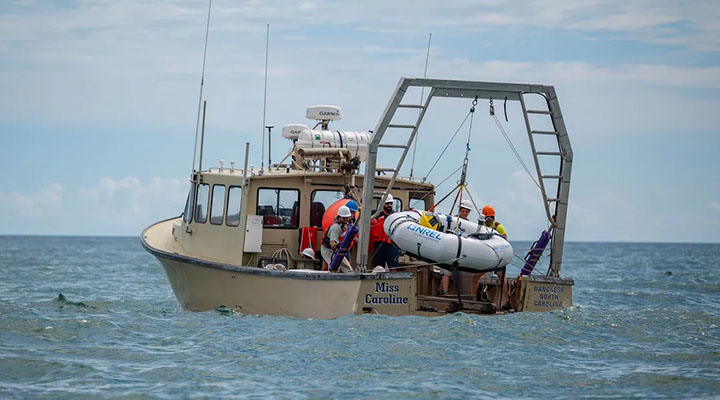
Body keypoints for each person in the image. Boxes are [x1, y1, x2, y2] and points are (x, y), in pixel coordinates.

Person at [471, 205, 510, 307]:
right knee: (475, 277)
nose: (488, 220)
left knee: (502, 277)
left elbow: (505, 242)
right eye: (487, 218)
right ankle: (473, 300)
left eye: (490, 218)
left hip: (497, 257)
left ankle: (506, 301)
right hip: (486, 258)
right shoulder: (482, 227)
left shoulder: (498, 227)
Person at [438, 199, 473, 296]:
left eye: (466, 212)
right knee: (446, 272)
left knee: (450, 273)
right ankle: (444, 292)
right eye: (463, 211)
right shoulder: (452, 220)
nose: (464, 213)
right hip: (448, 250)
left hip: (459, 252)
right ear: (459, 211)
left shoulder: (469, 224)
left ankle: (440, 291)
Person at [370, 195, 398, 270]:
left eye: (391, 203)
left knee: (393, 267)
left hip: (391, 244)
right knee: (377, 267)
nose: (389, 205)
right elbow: (364, 211)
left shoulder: (396, 216)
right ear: (383, 204)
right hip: (378, 245)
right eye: (387, 203)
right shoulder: (376, 215)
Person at [320, 205, 352, 271]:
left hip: (337, 250)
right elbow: (332, 243)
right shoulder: (336, 227)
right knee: (334, 266)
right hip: (328, 250)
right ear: (339, 217)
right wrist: (338, 245)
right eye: (344, 218)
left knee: (347, 268)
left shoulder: (344, 225)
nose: (346, 220)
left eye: (347, 218)